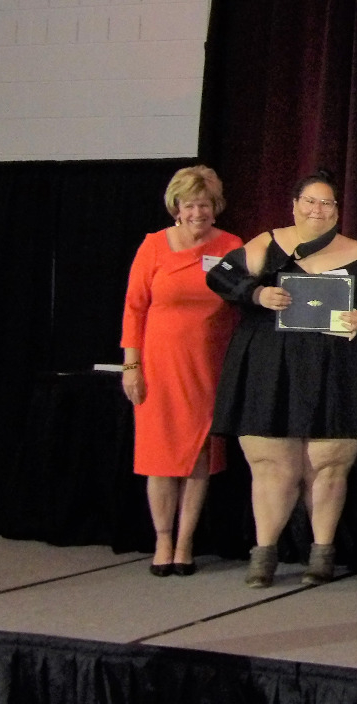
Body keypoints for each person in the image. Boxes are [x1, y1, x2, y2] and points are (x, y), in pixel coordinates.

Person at [210, 171, 357, 587]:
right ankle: (264, 554)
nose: (318, 210)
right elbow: (219, 276)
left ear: (337, 211)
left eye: (327, 203)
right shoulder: (267, 243)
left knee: (328, 465)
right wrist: (257, 294)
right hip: (271, 370)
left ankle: (322, 553)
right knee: (271, 465)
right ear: (294, 205)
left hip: (338, 373)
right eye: (310, 201)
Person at [121, 166, 242, 576]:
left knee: (198, 455)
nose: (197, 213)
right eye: (189, 205)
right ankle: (163, 540)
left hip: (209, 367)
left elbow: (242, 302)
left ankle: (186, 542)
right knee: (159, 457)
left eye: (204, 205)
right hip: (158, 368)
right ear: (176, 207)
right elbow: (134, 308)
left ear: (216, 206)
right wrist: (131, 365)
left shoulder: (231, 246)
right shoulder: (153, 246)